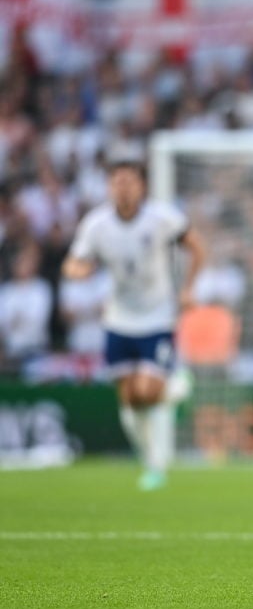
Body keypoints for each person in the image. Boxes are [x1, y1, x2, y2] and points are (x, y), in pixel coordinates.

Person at [62, 160, 205, 491]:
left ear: (142, 187)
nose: (123, 188)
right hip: (118, 318)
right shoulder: (96, 224)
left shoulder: (161, 218)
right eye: (117, 182)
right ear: (109, 187)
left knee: (147, 391)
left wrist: (188, 289)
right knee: (130, 400)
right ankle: (152, 462)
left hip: (157, 316)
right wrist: (75, 271)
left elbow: (197, 247)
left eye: (129, 181)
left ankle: (174, 390)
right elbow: (75, 261)